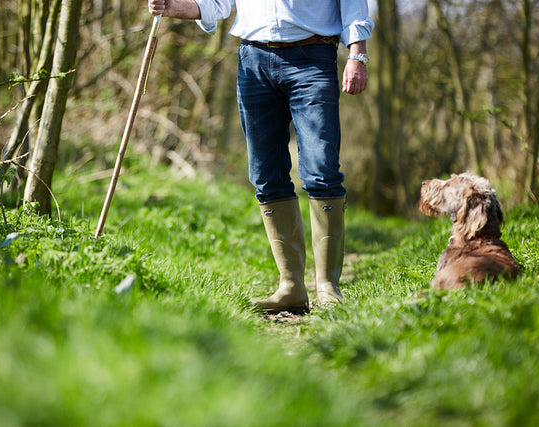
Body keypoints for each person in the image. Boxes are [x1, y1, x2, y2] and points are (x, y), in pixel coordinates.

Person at [148, 0, 374, 314]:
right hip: (253, 61)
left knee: (321, 169)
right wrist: (173, 7)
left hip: (313, 58)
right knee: (266, 175)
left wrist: (357, 55)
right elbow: (217, 4)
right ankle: (291, 287)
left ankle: (327, 287)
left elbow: (352, 5)